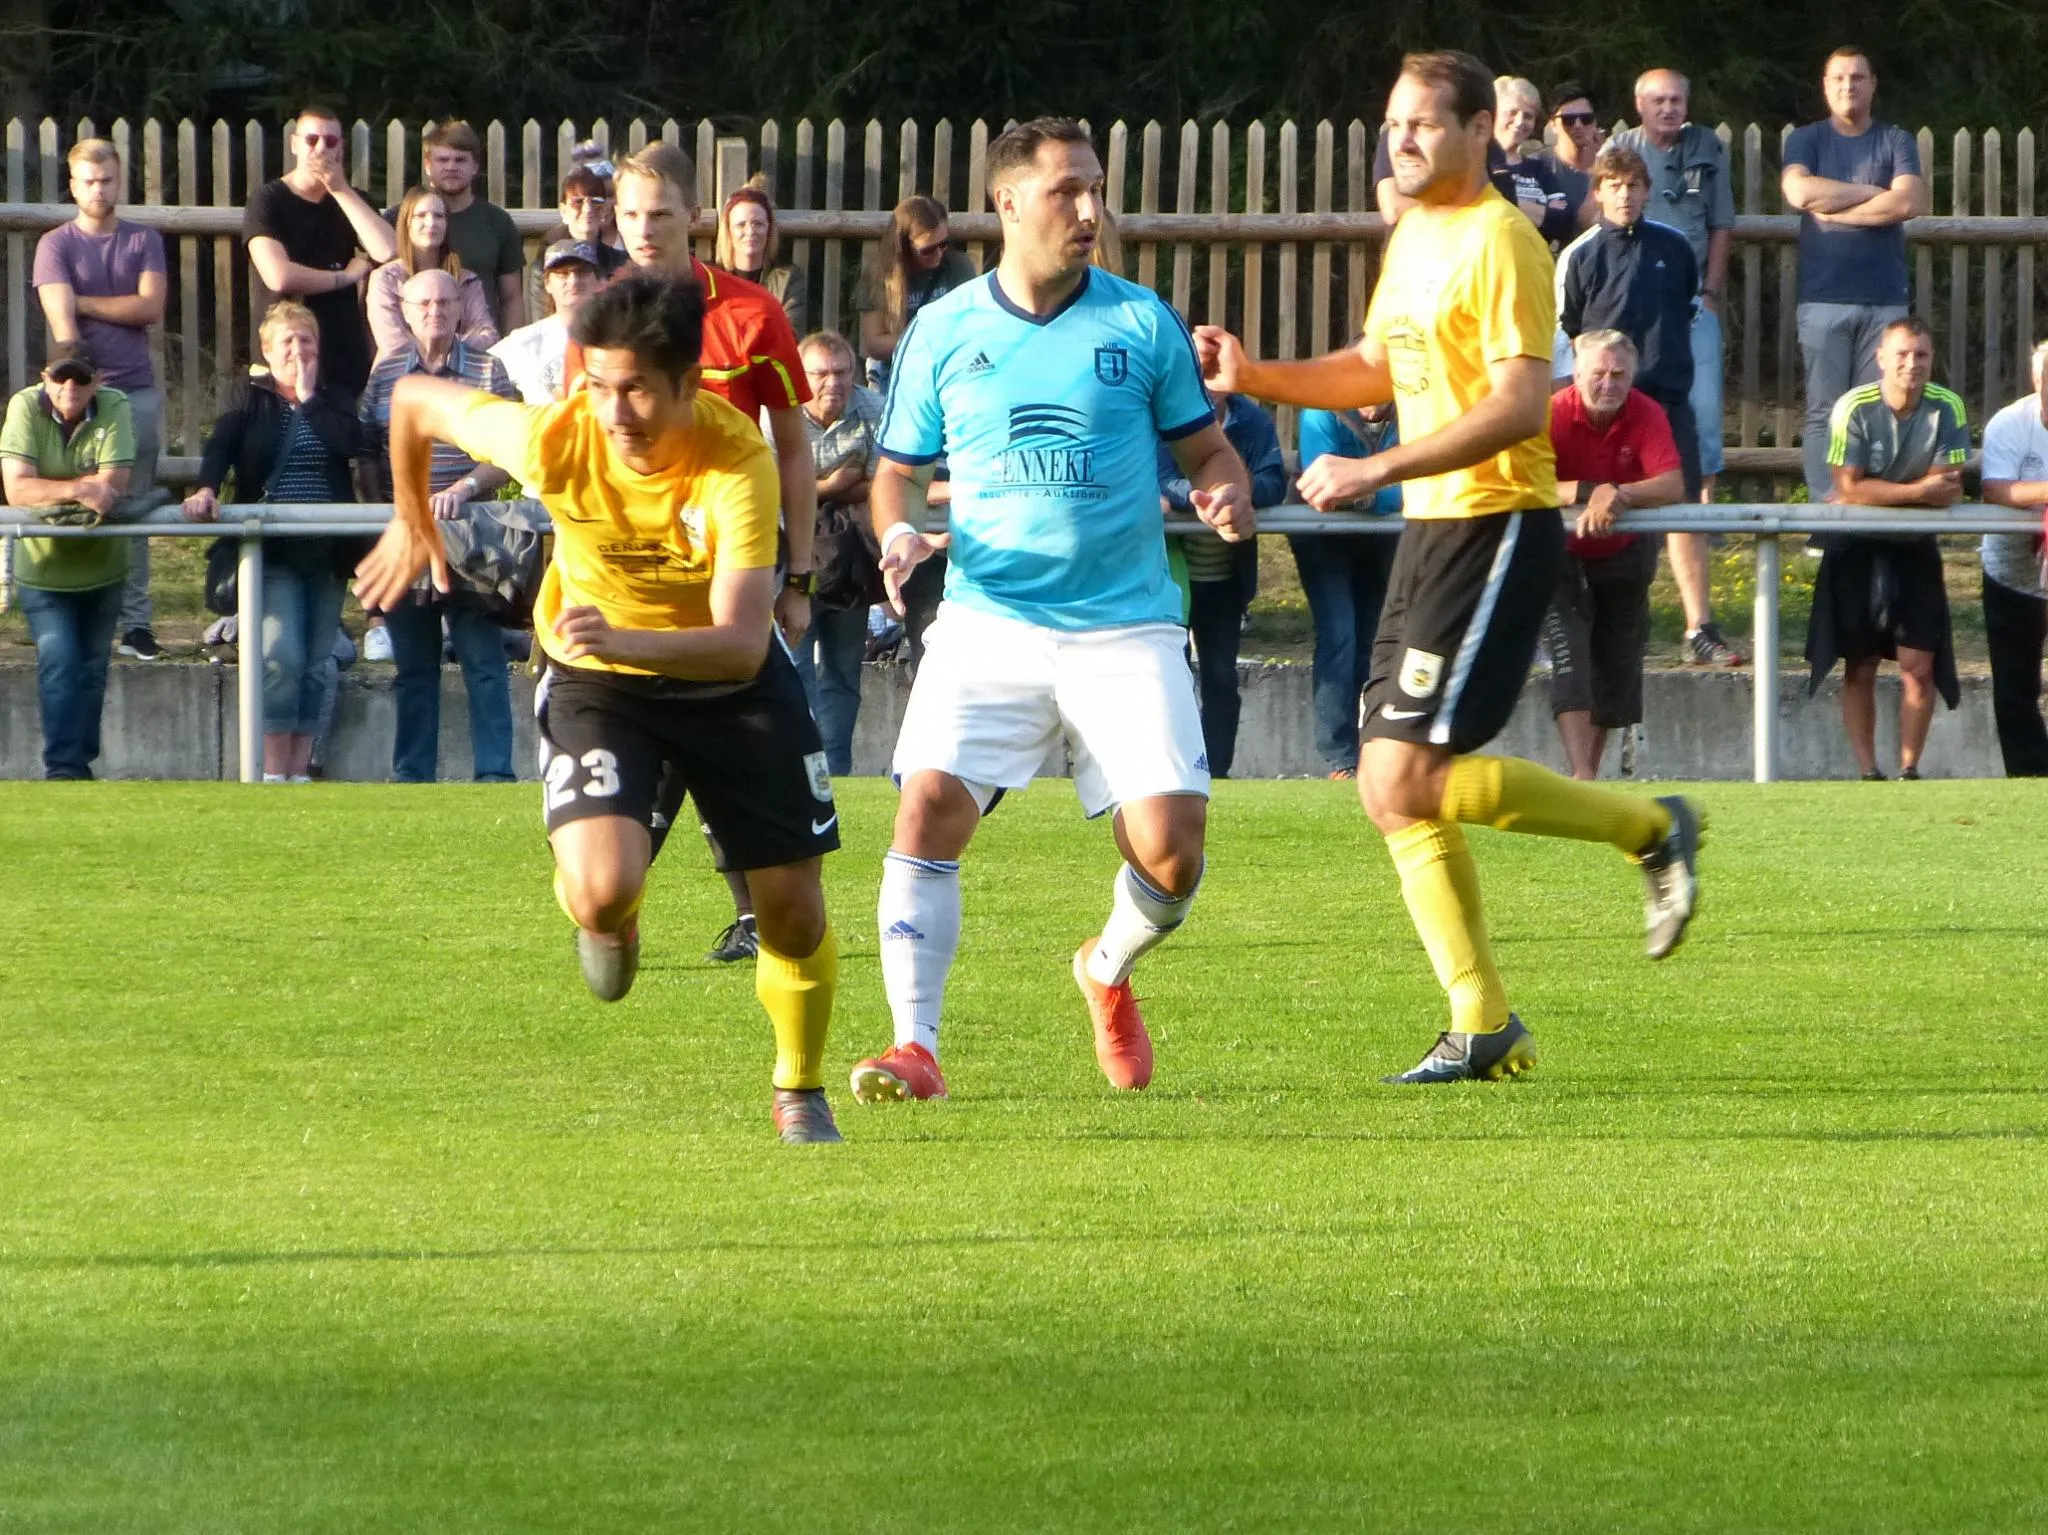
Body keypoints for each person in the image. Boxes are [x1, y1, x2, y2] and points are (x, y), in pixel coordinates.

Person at [1196, 50, 1703, 1086]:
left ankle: (1649, 827)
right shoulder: (1416, 233)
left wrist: (1374, 466)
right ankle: (1482, 1021)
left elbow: (1518, 406)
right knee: (1392, 791)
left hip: (1495, 523)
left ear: (1479, 131)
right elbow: (1376, 368)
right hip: (1433, 530)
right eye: (1393, 124)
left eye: (1423, 122)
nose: (1403, 139)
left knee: (1403, 776)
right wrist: (1256, 374)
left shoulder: (1500, 239)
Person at [352, 271, 846, 1145]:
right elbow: (416, 400)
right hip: (600, 681)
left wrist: (624, 637)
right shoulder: (559, 436)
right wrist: (410, 517)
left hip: (729, 682)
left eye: (638, 390)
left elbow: (741, 642)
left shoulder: (738, 461)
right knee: (602, 891)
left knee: (793, 913)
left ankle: (799, 1087)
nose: (615, 412)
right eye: (601, 386)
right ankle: (610, 916)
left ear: (688, 384)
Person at [848, 116, 1255, 1105]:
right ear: (1007, 202)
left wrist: (1226, 487)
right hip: (987, 621)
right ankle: (913, 1046)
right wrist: (898, 532)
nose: (1088, 208)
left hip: (1126, 625)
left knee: (1172, 854)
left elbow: (1207, 449)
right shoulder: (944, 330)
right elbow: (894, 473)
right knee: (925, 806)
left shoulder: (1140, 322)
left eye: (1095, 188)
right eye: (1066, 189)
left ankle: (1106, 965)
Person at [613, 139, 819, 963]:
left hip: (733, 568)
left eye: (660, 214)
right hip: (637, 573)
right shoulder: (600, 320)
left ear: (694, 216)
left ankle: (754, 910)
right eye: (631, 214)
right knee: (647, 739)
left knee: (739, 736)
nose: (644, 230)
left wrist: (798, 577)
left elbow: (794, 451)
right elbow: (586, 456)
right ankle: (615, 899)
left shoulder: (751, 314)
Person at [181, 301, 373, 782]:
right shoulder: (249, 398)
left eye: (306, 340)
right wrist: (205, 488)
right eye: (287, 341)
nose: (297, 350)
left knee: (316, 662)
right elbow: (221, 447)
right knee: (280, 656)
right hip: (272, 552)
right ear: (267, 350)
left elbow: (351, 444)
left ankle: (298, 770)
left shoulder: (334, 398)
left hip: (327, 553)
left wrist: (308, 399)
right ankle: (271, 770)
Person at [359, 269, 520, 783]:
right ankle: (412, 778)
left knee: (484, 664)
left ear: (459, 309)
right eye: (424, 303)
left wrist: (465, 488)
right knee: (414, 669)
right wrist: (384, 511)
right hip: (407, 536)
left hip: (471, 536)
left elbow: (509, 452)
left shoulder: (489, 370)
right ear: (405, 312)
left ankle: (495, 775)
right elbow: (368, 451)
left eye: (445, 302)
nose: (435, 311)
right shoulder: (386, 373)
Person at [1613, 67, 1744, 668]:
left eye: (1677, 99)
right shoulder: (1620, 156)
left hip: (1685, 326)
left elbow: (1720, 227)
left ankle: (1699, 620)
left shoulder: (1707, 149)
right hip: (1622, 350)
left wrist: (1709, 296)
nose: (1668, 108)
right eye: (1657, 100)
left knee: (1696, 442)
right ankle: (1616, 616)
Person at [1805, 316, 1966, 780]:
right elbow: (1848, 487)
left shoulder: (1948, 406)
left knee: (1920, 664)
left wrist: (1875, 491)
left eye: (1921, 355)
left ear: (1932, 360)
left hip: (1915, 545)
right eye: (1902, 354)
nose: (1911, 364)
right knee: (1860, 662)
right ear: (1880, 359)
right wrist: (1916, 492)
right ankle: (1868, 771)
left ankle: (1909, 769)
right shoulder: (1852, 407)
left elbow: (1948, 488)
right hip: (1856, 544)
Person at [34, 137, 167, 663]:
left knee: (133, 506)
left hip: (136, 387)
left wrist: (84, 300)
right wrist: (84, 382)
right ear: (72, 185)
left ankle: (137, 623)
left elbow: (150, 308)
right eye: (89, 181)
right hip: (74, 390)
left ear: (119, 180)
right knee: (72, 500)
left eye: (107, 180)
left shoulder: (144, 240)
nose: (99, 189)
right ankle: (72, 612)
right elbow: (64, 327)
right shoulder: (54, 245)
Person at [1781, 48, 1928, 504]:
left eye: (1858, 77)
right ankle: (1824, 509)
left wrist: (1837, 211)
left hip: (1884, 299)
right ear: (1825, 86)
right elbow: (1799, 191)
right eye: (1839, 78)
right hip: (1822, 298)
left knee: (1877, 407)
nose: (1849, 86)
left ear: (1873, 84)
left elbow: (1908, 202)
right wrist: (1872, 194)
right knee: (1824, 410)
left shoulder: (1896, 141)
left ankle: (1867, 504)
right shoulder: (1806, 139)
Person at [1543, 331, 1687, 779]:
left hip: (1623, 552)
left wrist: (1619, 495)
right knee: (1570, 661)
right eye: (1598, 374)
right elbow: (1523, 482)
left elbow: (1671, 483)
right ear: (1576, 374)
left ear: (1633, 375)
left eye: (1618, 374)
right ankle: (1581, 774)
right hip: (1558, 554)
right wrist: (1590, 491)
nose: (1608, 384)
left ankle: (1587, 772)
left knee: (1616, 666)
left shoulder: (1646, 412)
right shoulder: (1551, 413)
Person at [0, 343, 133, 780]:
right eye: (60, 377)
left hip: (104, 567)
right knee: (58, 662)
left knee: (92, 672)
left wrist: (52, 488)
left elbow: (113, 487)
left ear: (98, 382)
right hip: (43, 571)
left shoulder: (116, 405)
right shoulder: (24, 407)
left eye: (80, 378)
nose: (69, 387)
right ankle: (62, 768)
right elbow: (17, 490)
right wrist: (78, 488)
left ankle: (80, 765)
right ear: (45, 377)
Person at [1557, 145, 1701, 499]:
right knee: (1603, 504)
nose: (1625, 195)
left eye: (1634, 185)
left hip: (1667, 400)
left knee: (1683, 505)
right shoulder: (1579, 255)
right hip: (1607, 409)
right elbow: (1571, 332)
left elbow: (1689, 311)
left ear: (1647, 191)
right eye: (1615, 185)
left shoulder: (1676, 246)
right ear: (1598, 192)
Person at [1157, 391, 1288, 778]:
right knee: (1172, 678)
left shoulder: (1253, 421)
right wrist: (1204, 497)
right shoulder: (1164, 414)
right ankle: (1177, 770)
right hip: (1174, 580)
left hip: (1226, 580)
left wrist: (1236, 495)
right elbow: (1158, 480)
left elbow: (1274, 482)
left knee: (1221, 677)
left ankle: (1216, 771)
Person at [243, 105, 396, 396]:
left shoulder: (353, 200)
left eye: (331, 141)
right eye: (312, 140)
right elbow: (278, 276)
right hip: (285, 350)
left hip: (342, 350)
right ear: (294, 144)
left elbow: (387, 250)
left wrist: (340, 190)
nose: (321, 148)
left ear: (341, 148)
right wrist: (344, 278)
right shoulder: (268, 200)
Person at [1287, 399, 1402, 778]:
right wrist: (1383, 491)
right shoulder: (1322, 412)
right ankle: (1340, 758)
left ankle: (1371, 748)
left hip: (1379, 536)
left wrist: (1366, 493)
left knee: (1373, 639)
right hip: (1322, 537)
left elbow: (1420, 484)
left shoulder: (1411, 413)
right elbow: (1324, 490)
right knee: (1339, 634)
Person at [793, 329, 884, 775]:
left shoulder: (874, 408)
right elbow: (769, 488)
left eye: (843, 372)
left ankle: (837, 770)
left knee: (843, 672)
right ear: (800, 375)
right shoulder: (778, 414)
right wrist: (834, 484)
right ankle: (799, 764)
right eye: (822, 374)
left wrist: (808, 488)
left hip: (851, 558)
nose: (834, 383)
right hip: (790, 555)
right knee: (794, 671)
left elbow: (884, 484)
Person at [1978, 340, 2048, 777]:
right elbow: (1996, 488)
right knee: (2015, 689)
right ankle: (2028, 780)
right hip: (2011, 575)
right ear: (2037, 380)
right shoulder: (2008, 424)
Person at [855, 195, 977, 390]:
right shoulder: (879, 276)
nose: (939, 254)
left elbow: (970, 325)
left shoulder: (957, 265)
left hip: (949, 369)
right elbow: (875, 344)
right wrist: (933, 339)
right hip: (899, 372)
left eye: (944, 244)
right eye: (928, 250)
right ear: (904, 246)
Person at [413, 122, 524, 333]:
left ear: (475, 166)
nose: (451, 167)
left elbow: (512, 299)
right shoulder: (405, 218)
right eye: (442, 159)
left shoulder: (497, 221)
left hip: (483, 343)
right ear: (427, 165)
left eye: (460, 160)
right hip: (414, 346)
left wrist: (512, 347)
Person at [367, 184, 498, 359]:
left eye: (438, 216)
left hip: (460, 371)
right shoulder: (386, 278)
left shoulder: (466, 279)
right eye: (421, 215)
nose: (431, 223)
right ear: (406, 223)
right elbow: (391, 340)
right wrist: (435, 353)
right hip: (402, 372)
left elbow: (487, 334)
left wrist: (445, 352)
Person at [492, 240, 603, 407]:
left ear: (598, 280)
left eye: (582, 272)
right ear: (547, 283)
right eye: (562, 274)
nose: (573, 281)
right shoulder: (525, 342)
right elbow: (478, 370)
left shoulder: (618, 337)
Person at [524, 164, 629, 322]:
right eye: (578, 202)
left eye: (596, 201)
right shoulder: (546, 264)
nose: (588, 209)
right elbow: (542, 318)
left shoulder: (620, 262)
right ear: (563, 210)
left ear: (604, 209)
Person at [1493, 76, 1577, 245]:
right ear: (1493, 113)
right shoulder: (1479, 165)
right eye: (1512, 112)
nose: (1520, 122)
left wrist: (1509, 203)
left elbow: (1563, 222)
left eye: (1528, 116)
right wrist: (1543, 211)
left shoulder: (1538, 169)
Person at [715, 178, 807, 332]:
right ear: (728, 231)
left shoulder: (788, 278)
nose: (750, 232)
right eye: (741, 225)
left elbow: (791, 334)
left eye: (758, 224)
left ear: (769, 229)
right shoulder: (710, 277)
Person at [1542, 81, 1603, 229]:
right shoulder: (1538, 166)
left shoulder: (1612, 167)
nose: (1578, 125)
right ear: (1552, 124)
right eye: (1568, 120)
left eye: (1586, 119)